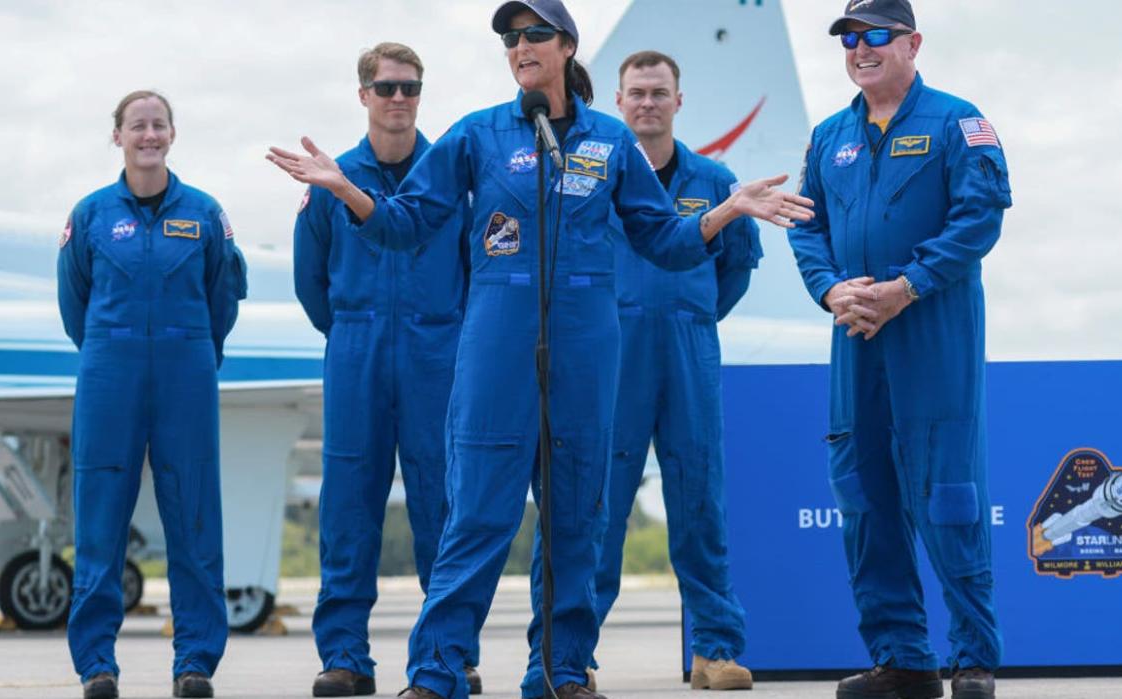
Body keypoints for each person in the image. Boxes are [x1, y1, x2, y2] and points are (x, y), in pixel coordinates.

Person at [267, 2, 813, 698]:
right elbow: (407, 226)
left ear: (565, 47)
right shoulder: (477, 136)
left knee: (576, 516)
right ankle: (437, 671)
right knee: (476, 514)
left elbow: (663, 241)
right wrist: (347, 189)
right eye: (509, 37)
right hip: (498, 341)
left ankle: (557, 668)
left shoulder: (610, 143)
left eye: (532, 34)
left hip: (586, 347)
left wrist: (724, 211)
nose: (518, 45)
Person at [786, 2, 1011, 698]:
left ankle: (972, 658)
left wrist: (907, 286)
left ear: (912, 42)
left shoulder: (957, 122)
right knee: (863, 494)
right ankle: (903, 659)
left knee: (946, 492)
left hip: (930, 330)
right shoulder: (828, 137)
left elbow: (980, 217)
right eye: (850, 38)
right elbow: (805, 227)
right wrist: (829, 291)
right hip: (854, 334)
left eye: (876, 35)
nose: (861, 48)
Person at [293, 43, 481, 698]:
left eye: (410, 88)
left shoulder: (452, 178)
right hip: (357, 351)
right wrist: (355, 330)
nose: (399, 99)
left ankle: (450, 653)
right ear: (364, 94)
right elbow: (312, 283)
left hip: (438, 353)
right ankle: (345, 656)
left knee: (445, 506)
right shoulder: (330, 179)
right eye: (387, 87)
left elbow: (476, 269)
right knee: (348, 504)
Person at [57, 90, 248, 699]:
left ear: (172, 134)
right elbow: (73, 304)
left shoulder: (205, 212)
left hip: (186, 368)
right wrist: (111, 349)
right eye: (136, 126)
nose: (148, 135)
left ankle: (194, 662)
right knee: (99, 520)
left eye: (158, 125)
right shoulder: (88, 216)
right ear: (117, 136)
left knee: (193, 516)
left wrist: (192, 351)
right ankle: (96, 665)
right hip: (108, 370)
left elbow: (223, 297)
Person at [591, 50, 758, 691]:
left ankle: (714, 648)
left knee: (699, 504)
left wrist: (694, 314)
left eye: (660, 93)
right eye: (637, 93)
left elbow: (736, 267)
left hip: (689, 352)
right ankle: (573, 648)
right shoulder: (594, 177)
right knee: (596, 508)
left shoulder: (715, 182)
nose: (648, 103)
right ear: (619, 100)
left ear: (678, 102)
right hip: (613, 360)